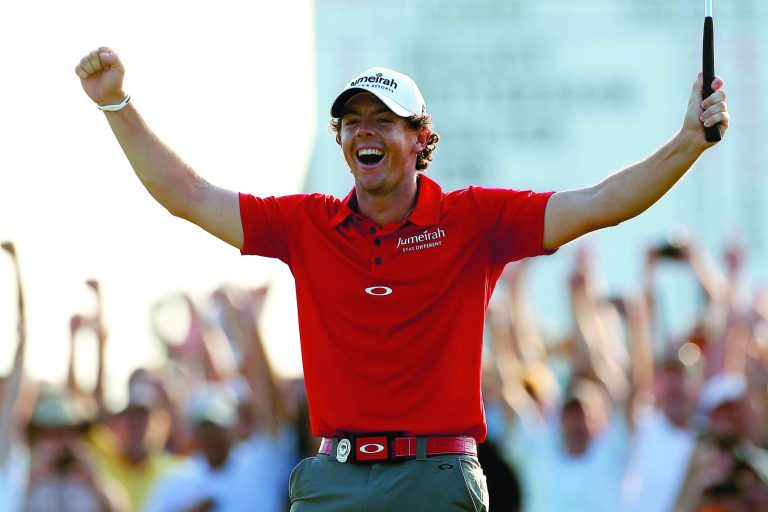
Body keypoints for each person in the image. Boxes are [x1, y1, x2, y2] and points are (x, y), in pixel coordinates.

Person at [75, 46, 730, 511]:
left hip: (435, 476)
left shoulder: (473, 218)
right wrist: (117, 105)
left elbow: (599, 203)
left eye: (383, 120)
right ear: (340, 141)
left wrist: (686, 143)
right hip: (332, 479)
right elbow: (187, 194)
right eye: (353, 121)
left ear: (420, 139)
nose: (366, 131)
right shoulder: (308, 224)